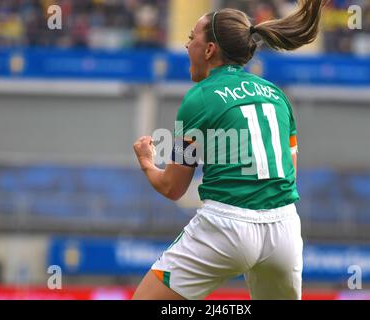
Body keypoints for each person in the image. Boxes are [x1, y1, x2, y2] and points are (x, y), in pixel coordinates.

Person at [132, 0, 325, 300]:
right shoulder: (277, 95)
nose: (186, 45)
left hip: (226, 225)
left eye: (192, 37)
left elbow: (172, 187)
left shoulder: (200, 98)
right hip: (284, 229)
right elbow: (289, 175)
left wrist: (147, 162)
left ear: (209, 50)